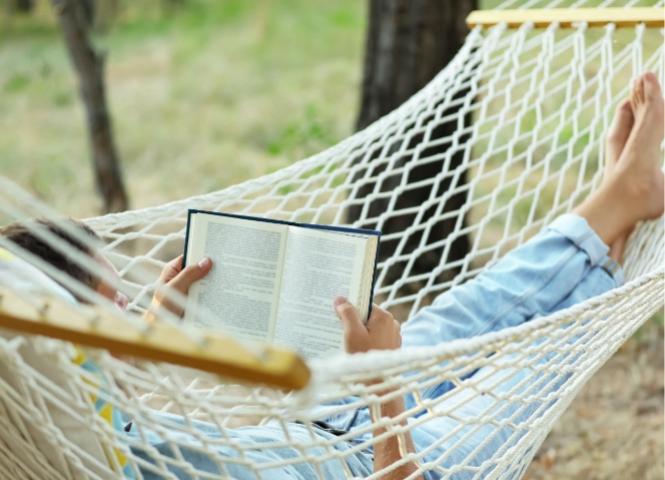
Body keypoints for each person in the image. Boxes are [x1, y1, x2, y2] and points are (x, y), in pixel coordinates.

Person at [1, 73, 663, 479]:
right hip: (401, 456)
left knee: (464, 312)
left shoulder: (67, 423)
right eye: (112, 299)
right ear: (69, 341)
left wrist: (141, 333)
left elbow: (73, 370)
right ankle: (621, 221)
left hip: (320, 427)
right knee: (533, 354)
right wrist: (382, 385)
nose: (134, 302)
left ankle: (611, 205)